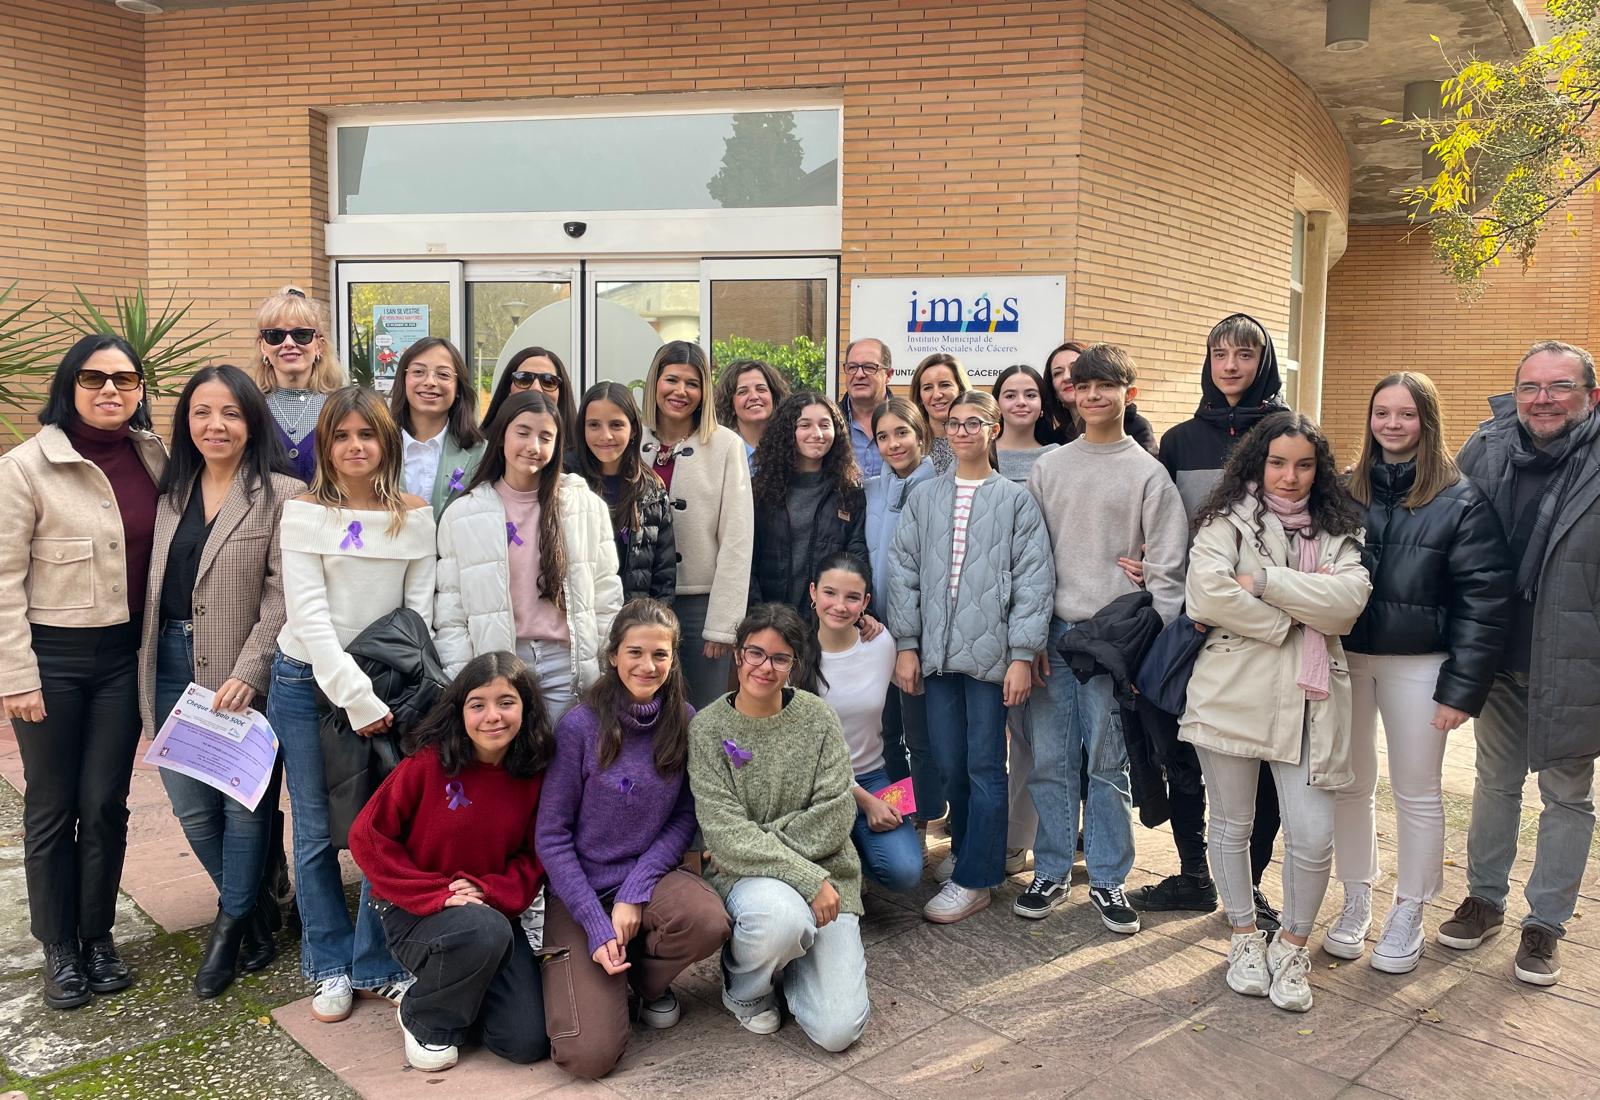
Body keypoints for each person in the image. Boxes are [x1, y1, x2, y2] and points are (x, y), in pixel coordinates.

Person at [1181, 412, 1371, 1013]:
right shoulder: (1223, 521)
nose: (1290, 477)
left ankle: (1291, 946)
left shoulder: (1341, 530)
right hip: (1230, 692)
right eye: (1278, 462)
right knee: (1232, 825)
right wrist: (1293, 616)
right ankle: (1242, 935)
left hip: (1312, 702)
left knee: (1313, 837)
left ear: (1320, 470)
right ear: (1257, 463)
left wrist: (1262, 581)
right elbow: (1207, 593)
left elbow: (1347, 605)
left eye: (1305, 464)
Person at [0, 334, 164, 1010]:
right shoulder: (24, 468)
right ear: (69, 385)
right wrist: (16, 674)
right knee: (51, 805)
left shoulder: (154, 457)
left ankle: (97, 937)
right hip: (53, 659)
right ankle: (58, 949)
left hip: (125, 660)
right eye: (94, 379)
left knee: (104, 805)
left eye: (124, 380)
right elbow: (4, 578)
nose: (110, 391)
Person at [1328, 373, 1511, 974]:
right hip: (1348, 659)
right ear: (1370, 419)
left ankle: (1409, 907)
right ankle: (1357, 896)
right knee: (1350, 784)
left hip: (1420, 666)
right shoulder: (1341, 491)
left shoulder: (1461, 498)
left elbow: (1484, 601)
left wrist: (1462, 688)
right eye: (1382, 412)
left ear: (1426, 421)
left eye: (1406, 414)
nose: (1393, 424)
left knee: (1417, 789)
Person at [270, 385, 434, 1023]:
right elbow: (310, 620)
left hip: (387, 689)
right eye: (341, 436)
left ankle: (377, 960)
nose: (355, 447)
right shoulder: (304, 513)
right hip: (308, 681)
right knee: (314, 831)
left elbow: (418, 616)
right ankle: (328, 963)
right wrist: (357, 697)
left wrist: (398, 695)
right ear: (325, 446)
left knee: (382, 827)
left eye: (368, 434)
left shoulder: (414, 516)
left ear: (387, 442)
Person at [1438, 340, 1600, 989]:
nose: (1543, 398)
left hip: (1577, 663)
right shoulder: (1486, 446)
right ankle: (1486, 900)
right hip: (1497, 655)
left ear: (1590, 394)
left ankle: (1547, 925)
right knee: (1495, 783)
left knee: (1567, 796)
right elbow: (1444, 528)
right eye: (1531, 386)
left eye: (1559, 386)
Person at [138, 365, 303, 999]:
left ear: (252, 422)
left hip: (237, 675)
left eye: (231, 413)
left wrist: (249, 671)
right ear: (186, 422)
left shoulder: (282, 496)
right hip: (169, 668)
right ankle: (257, 909)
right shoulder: (170, 494)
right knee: (192, 809)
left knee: (243, 807)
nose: (216, 425)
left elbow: (282, 597)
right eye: (203, 412)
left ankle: (232, 925)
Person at [1020, 344, 1188, 929]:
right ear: (1072, 394)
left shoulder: (1149, 474)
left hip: (1117, 642)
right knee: (1051, 757)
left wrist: (1157, 647)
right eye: (1084, 386)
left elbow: (1167, 568)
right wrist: (1030, 636)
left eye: (1107, 387)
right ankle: (1053, 867)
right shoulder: (1050, 468)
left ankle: (1111, 878)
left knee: (1108, 763)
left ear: (1128, 395)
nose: (1094, 396)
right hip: (1056, 634)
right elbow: (1030, 559)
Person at [535, 599, 731, 1078]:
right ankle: (601, 973)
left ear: (673, 658)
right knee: (588, 1058)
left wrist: (634, 891)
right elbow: (551, 836)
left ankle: (643, 982)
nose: (648, 666)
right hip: (578, 889)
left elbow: (685, 817)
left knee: (707, 919)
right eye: (635, 653)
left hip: (648, 879)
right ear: (614, 656)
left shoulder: (683, 720)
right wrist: (597, 923)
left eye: (660, 655)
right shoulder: (580, 726)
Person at [888, 390, 1053, 924]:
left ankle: (977, 879)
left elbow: (1033, 580)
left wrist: (1023, 654)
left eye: (974, 423)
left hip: (990, 660)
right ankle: (967, 851)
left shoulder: (1015, 499)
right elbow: (904, 572)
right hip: (935, 657)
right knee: (948, 760)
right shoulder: (926, 497)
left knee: (986, 765)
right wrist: (907, 645)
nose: (963, 431)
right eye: (954, 424)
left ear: (994, 428)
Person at [1149, 313, 1290, 929]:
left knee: (1258, 760)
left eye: (1245, 353)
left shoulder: (1288, 431)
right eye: (1220, 353)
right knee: (1185, 753)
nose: (1231, 364)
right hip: (1192, 625)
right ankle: (1194, 873)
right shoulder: (1180, 441)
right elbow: (1164, 525)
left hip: (1264, 626)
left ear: (1265, 361)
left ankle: (1249, 881)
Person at [348, 652, 552, 1071]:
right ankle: (425, 1017)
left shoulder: (532, 774)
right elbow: (366, 836)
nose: (492, 716)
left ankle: (460, 989)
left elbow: (534, 857)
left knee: (525, 1042)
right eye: (477, 704)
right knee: (484, 931)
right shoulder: (429, 763)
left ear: (525, 708)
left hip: (490, 914)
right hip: (415, 912)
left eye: (506, 702)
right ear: (460, 711)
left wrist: (490, 890)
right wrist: (437, 894)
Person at [687, 603, 869, 1051]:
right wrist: (805, 877)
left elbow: (836, 811)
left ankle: (793, 963)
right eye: (755, 653)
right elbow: (726, 833)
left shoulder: (817, 717)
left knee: (837, 1031)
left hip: (829, 877)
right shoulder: (708, 728)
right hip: (750, 876)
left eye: (780, 658)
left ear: (795, 665)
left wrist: (769, 844)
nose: (765, 667)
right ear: (738, 656)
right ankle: (746, 989)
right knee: (782, 921)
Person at [434, 391, 623, 723]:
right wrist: (465, 679)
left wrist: (608, 666)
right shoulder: (463, 513)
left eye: (545, 436)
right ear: (502, 434)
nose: (533, 445)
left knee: (562, 766)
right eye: (523, 432)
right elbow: (451, 612)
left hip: (567, 663)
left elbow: (606, 595)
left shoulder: (584, 506)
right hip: (498, 661)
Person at [795, 554, 923, 893]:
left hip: (870, 773)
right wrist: (865, 802)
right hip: (813, 786)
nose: (839, 605)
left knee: (906, 872)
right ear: (813, 593)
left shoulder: (881, 644)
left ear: (865, 602)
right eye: (830, 593)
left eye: (852, 597)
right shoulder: (793, 653)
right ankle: (842, 861)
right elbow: (802, 755)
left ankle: (853, 853)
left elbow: (915, 687)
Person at [638, 341, 753, 707]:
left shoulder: (725, 445)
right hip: (638, 599)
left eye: (692, 383)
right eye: (671, 379)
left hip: (700, 606)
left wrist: (724, 624)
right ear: (655, 381)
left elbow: (737, 538)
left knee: (702, 714)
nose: (680, 391)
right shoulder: (629, 438)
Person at [864, 397, 943, 824]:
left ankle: (929, 814)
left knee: (921, 735)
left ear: (920, 434)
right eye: (883, 436)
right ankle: (902, 814)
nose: (893, 444)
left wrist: (911, 639)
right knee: (886, 733)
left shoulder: (941, 488)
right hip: (876, 633)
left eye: (902, 433)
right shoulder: (873, 489)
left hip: (921, 636)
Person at [749, 391, 870, 610]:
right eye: (805, 425)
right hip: (769, 619)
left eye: (825, 425)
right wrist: (759, 615)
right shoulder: (759, 490)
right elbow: (747, 561)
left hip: (827, 620)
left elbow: (856, 557)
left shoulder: (849, 492)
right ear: (788, 431)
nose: (817, 434)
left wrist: (864, 610)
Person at [574, 382, 677, 603]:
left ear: (632, 430)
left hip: (632, 625)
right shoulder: (564, 481)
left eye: (616, 425)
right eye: (594, 425)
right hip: (576, 622)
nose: (606, 435)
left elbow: (663, 581)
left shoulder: (651, 490)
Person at [253, 286, 345, 484]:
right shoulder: (249, 409)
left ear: (318, 345)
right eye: (275, 335)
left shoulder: (341, 409)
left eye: (301, 334)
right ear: (263, 346)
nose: (288, 343)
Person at [386, 337, 485, 518]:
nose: (430, 382)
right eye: (418, 372)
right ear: (403, 380)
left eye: (443, 374)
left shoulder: (481, 453)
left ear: (458, 389)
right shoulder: (380, 446)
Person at [1042, 341, 1157, 453]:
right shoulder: (1057, 439)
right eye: (1057, 373)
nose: (1067, 377)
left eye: (1105, 385)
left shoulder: (1136, 427)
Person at [483, 346, 578, 448]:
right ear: (507, 390)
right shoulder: (478, 454)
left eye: (548, 381)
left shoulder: (582, 457)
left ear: (561, 394)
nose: (536, 388)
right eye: (523, 379)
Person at [712, 358, 790, 466]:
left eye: (761, 389)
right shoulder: (718, 452)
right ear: (730, 403)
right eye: (743, 392)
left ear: (774, 396)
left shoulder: (791, 448)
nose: (754, 397)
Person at [908, 352, 971, 474]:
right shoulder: (910, 442)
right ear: (919, 397)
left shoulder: (977, 439)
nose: (937, 395)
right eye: (927, 388)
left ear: (961, 390)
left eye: (945, 385)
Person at [839, 338, 892, 477]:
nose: (859, 374)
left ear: (888, 375)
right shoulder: (829, 424)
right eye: (852, 367)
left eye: (869, 367)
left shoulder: (909, 422)